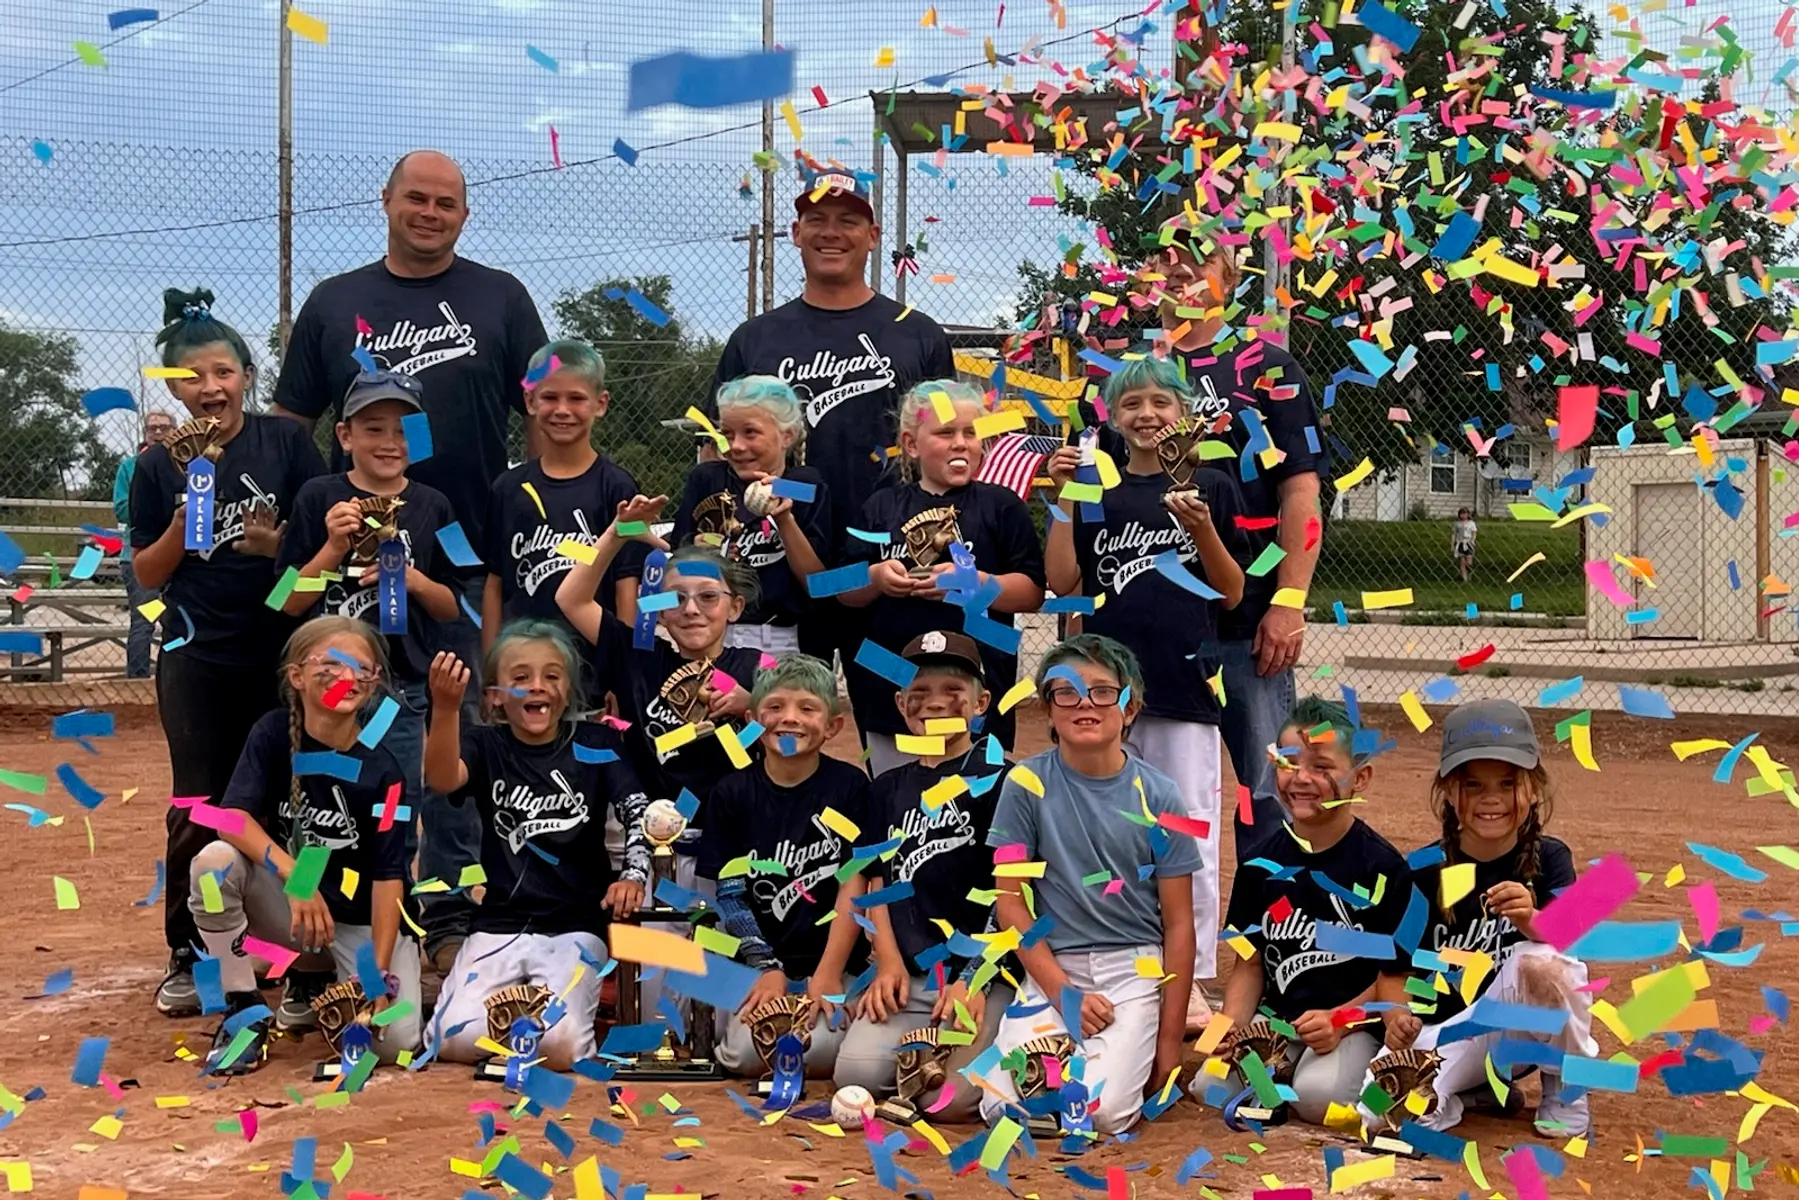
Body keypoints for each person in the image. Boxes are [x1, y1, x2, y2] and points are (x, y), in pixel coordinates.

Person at [271, 148, 549, 975]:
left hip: (456, 554)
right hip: (343, 623)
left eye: (447, 203)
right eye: (415, 198)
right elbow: (291, 418)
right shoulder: (336, 302)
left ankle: (455, 909)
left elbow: (539, 406)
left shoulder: (499, 297)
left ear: (465, 214)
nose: (430, 212)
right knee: (337, 766)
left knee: (447, 750)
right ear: (385, 199)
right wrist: (311, 529)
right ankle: (331, 924)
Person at [131, 287, 326, 1018]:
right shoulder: (158, 464)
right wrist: (184, 524)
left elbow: (317, 553)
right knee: (198, 803)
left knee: (295, 797)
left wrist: (278, 545)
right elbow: (147, 574)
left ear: (247, 374)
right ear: (172, 387)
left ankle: (294, 951)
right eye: (191, 378)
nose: (209, 388)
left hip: (281, 646)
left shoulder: (285, 444)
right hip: (197, 650)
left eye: (223, 372)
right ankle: (189, 951)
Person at [1044, 354, 1247, 1029]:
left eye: (1161, 401)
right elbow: (1063, 582)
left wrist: (1200, 528)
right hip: (1105, 688)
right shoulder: (1095, 488)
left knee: (1184, 825)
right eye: (1131, 403)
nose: (1146, 414)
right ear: (1110, 416)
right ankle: (1116, 962)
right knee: (1106, 827)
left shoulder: (1211, 485)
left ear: (1184, 414)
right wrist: (1065, 499)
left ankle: (1187, 981)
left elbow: (1231, 590)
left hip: (1184, 682)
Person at [1126, 234, 1324, 854]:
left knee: (1268, 800)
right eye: (1166, 258)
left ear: (1232, 276)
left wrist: (1289, 599)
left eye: (1201, 257)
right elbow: (1098, 499)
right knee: (1141, 804)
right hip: (1148, 626)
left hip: (1246, 622)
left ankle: (1277, 940)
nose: (1180, 268)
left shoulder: (1267, 367)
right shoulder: (1123, 372)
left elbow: (1299, 491)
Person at [275, 370, 464, 977]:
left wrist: (411, 579)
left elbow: (454, 602)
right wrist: (330, 549)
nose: (388, 441)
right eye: (372, 428)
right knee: (317, 817)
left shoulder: (437, 504)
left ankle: (396, 940)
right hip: (327, 699)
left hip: (397, 696)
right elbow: (282, 599)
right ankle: (309, 959)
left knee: (396, 816)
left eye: (401, 428)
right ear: (346, 434)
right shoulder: (316, 497)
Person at [978, 634, 1200, 1137]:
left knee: (1101, 1112)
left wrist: (1168, 1047)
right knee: (997, 1105)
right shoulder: (1024, 784)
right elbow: (1009, 902)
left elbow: (1181, 923)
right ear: (1048, 709)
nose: (1085, 704)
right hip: (1054, 965)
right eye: (1067, 692)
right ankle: (1070, 1057)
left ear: (1130, 707)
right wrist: (1062, 993)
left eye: (1103, 691)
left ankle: (1102, 1061)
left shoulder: (1163, 795)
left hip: (1134, 968)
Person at [188, 617, 420, 1073]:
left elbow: (389, 877)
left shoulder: (385, 771)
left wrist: (376, 970)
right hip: (295, 909)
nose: (346, 677)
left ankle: (321, 981)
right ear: (297, 675)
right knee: (213, 864)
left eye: (361, 669)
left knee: (394, 1043)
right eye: (331, 664)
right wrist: (296, 875)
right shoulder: (273, 734)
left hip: (358, 922)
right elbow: (229, 819)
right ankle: (244, 1012)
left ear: (373, 685)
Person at [423, 622, 652, 1072]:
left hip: (575, 926)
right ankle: (520, 1022)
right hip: (499, 924)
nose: (538, 686)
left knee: (563, 1048)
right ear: (494, 695)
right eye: (521, 676)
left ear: (568, 690)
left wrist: (633, 874)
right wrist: (446, 708)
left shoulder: (596, 743)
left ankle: (533, 1022)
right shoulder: (485, 743)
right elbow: (444, 778)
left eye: (552, 676)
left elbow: (639, 812)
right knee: (453, 1039)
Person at [1364, 699, 1594, 1139]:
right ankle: (1470, 1093)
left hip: (1523, 1035)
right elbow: (1393, 971)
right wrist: (1397, 1018)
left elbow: (1573, 951)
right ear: (1450, 792)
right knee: (1379, 1111)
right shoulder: (1422, 869)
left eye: (1507, 783)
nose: (1492, 799)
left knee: (1542, 961)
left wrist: (1530, 919)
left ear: (1532, 789)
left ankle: (1565, 1086)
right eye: (1473, 784)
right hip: (1451, 1030)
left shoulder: (1552, 857)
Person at [710, 164, 954, 551]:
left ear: (872, 236)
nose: (831, 232)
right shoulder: (753, 339)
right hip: (778, 551)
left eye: (848, 220)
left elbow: (946, 438)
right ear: (796, 232)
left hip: (893, 548)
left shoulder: (918, 334)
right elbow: (715, 449)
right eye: (817, 219)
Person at [1203, 697, 1410, 1126]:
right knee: (1209, 1084)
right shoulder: (1261, 864)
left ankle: (1294, 1079)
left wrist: (1341, 1020)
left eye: (1321, 767)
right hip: (1277, 1023)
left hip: (1350, 1025)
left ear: (1360, 777)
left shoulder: (1381, 868)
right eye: (1288, 762)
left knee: (1318, 1099)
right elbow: (1249, 964)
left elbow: (1390, 978)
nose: (1301, 779)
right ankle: (1279, 1071)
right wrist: (1222, 1028)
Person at [830, 631, 1003, 1119]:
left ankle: (987, 1036)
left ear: (980, 702)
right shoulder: (886, 788)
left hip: (982, 975)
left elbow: (1012, 894)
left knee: (946, 1103)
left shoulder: (1001, 781)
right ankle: (918, 1048)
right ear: (901, 704)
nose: (936, 703)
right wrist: (887, 961)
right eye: (920, 694)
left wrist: (973, 978)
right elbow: (876, 880)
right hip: (912, 975)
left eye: (953, 691)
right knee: (856, 1072)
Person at [840, 380, 1045, 774]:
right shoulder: (881, 506)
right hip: (894, 685)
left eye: (971, 433)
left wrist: (975, 583)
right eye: (945, 433)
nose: (960, 443)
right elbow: (838, 589)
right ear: (912, 444)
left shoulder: (1001, 505)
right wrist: (876, 576)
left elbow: (1032, 591)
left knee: (974, 804)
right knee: (898, 800)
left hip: (978, 685)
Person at [698, 654, 868, 1079]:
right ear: (753, 719)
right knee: (745, 1055)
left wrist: (828, 974)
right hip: (759, 959)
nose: (789, 719)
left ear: (832, 727)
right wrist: (765, 968)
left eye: (807, 709)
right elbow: (730, 894)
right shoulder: (732, 793)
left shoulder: (850, 788)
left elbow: (856, 885)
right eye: (775, 708)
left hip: (832, 961)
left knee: (825, 1050)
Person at [483, 340, 645, 644]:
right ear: (530, 402)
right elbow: (495, 583)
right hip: (523, 661)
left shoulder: (620, 487)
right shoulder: (506, 488)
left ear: (600, 404)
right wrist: (492, 666)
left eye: (576, 398)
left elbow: (628, 581)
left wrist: (624, 668)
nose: (562, 410)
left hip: (595, 665)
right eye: (550, 397)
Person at [671, 376, 832, 656]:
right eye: (727, 434)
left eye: (751, 432)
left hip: (786, 640)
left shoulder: (805, 486)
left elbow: (818, 583)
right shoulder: (706, 480)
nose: (736, 446)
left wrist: (785, 520)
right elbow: (677, 565)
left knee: (775, 699)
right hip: (717, 636)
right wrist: (701, 555)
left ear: (787, 436)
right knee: (724, 697)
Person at [112, 408, 175, 678]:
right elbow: (122, 508)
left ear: (176, 430)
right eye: (153, 428)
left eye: (165, 427)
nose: (158, 432)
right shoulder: (130, 466)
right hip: (138, 557)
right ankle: (136, 679)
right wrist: (159, 507)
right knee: (145, 621)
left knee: (175, 621)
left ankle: (173, 678)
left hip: (177, 556)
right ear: (145, 433)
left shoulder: (185, 464)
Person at [1452, 507, 1477, 583]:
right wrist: (1453, 544)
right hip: (1460, 542)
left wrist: (1473, 540)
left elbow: (1474, 532)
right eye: (1462, 514)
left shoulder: (1471, 523)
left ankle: (1469, 573)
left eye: (1465, 513)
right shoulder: (1457, 524)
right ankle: (1464, 579)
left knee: (1469, 562)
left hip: (1468, 542)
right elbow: (1454, 534)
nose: (1463, 515)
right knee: (1462, 561)